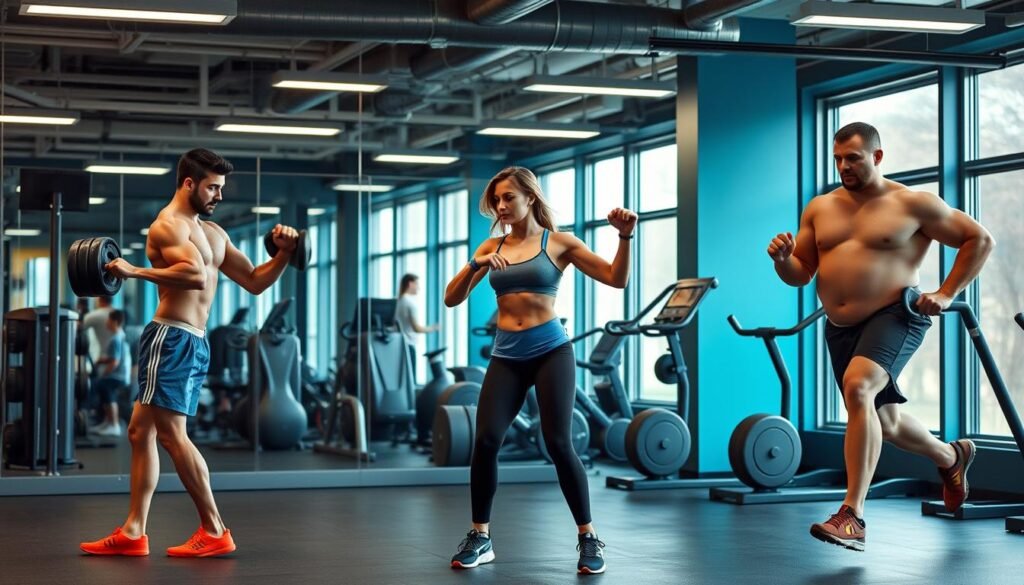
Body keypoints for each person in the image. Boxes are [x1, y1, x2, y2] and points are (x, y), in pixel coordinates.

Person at [768, 122, 994, 552]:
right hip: (840, 326)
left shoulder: (913, 204)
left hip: (897, 314)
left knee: (859, 388)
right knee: (885, 423)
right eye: (838, 159)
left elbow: (979, 239)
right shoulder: (820, 208)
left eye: (853, 158)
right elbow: (801, 273)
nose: (844, 166)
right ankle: (951, 457)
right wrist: (783, 260)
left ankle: (851, 516)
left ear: (877, 156)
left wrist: (946, 293)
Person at [79, 148, 299, 558]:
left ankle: (214, 528)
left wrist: (284, 255)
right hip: (182, 339)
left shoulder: (212, 232)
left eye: (220, 188)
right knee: (139, 431)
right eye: (212, 187)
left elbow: (253, 280)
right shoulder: (167, 225)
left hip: (176, 339)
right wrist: (134, 271)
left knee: (170, 434)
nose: (219, 195)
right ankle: (134, 531)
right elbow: (201, 275)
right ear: (188, 183)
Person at [444, 166, 636, 574]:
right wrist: (476, 263)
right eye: (496, 200)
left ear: (530, 197)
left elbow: (616, 279)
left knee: (559, 442)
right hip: (506, 356)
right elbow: (451, 298)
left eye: (508, 197)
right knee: (486, 441)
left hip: (551, 351)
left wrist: (624, 238)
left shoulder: (559, 242)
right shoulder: (492, 246)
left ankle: (588, 537)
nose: (500, 206)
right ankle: (481, 536)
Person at [90, 310, 131, 437]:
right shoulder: (121, 336)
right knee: (102, 386)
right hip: (123, 375)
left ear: (115, 322)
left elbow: (115, 362)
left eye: (108, 320)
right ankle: (108, 422)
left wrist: (104, 374)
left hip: (118, 376)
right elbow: (114, 357)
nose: (106, 322)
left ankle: (113, 424)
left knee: (101, 385)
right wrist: (101, 361)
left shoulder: (116, 339)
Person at [394, 273, 440, 378]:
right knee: (411, 377)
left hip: (400, 344)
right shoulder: (410, 303)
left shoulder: (399, 301)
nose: (418, 288)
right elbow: (416, 328)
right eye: (417, 284)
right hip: (409, 344)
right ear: (410, 284)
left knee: (403, 377)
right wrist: (433, 328)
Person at [82, 295, 114, 364]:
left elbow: (78, 327)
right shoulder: (116, 314)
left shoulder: (95, 315)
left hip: (104, 361)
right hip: (119, 360)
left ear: (100, 299)